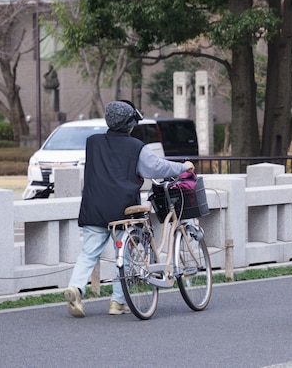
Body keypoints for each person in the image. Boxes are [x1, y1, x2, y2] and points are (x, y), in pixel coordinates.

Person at [64, 100, 195, 318]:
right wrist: (183, 166)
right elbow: (157, 167)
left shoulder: (93, 143)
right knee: (123, 256)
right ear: (130, 125)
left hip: (94, 208)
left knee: (88, 253)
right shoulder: (136, 147)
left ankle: (76, 288)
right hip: (124, 209)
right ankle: (117, 302)